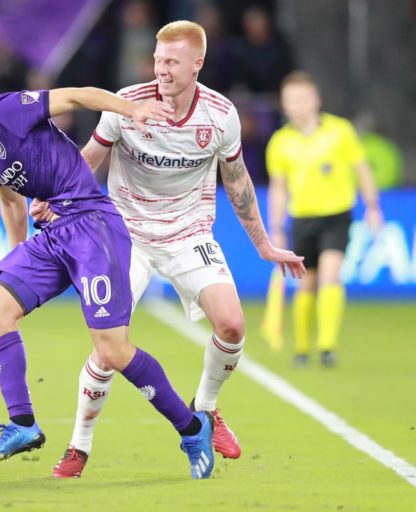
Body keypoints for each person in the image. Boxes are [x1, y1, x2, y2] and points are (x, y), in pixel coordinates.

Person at [30, 20, 305, 479]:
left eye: (172, 62)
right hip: (124, 233)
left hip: (189, 233)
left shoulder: (220, 115)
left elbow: (236, 181)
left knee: (233, 325)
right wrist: (58, 196)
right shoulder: (126, 103)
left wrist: (264, 245)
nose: (162, 69)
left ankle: (207, 408)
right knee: (108, 348)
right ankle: (79, 445)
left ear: (197, 63)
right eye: (158, 60)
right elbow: (92, 158)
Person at [0, 63, 217, 479]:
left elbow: (77, 94)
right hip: (53, 233)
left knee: (112, 350)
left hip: (93, 227)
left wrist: (132, 111)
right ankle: (24, 426)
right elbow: (10, 201)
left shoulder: (6, 111)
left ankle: (192, 427)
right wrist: (17, 262)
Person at [266, 71, 383, 368]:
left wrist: (372, 206)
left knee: (331, 275)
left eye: (303, 99)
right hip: (302, 219)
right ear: (284, 103)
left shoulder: (340, 131)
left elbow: (362, 169)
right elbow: (278, 190)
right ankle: (302, 349)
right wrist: (276, 228)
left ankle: (327, 345)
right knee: (307, 285)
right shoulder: (280, 142)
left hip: (336, 216)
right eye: (291, 100)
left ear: (316, 100)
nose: (298, 105)